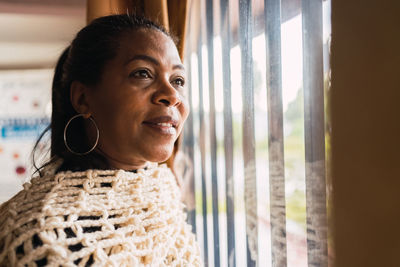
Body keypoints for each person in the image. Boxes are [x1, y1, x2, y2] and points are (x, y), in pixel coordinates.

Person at [0, 14, 202, 266]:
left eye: (178, 80)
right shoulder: (44, 236)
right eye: (143, 73)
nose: (172, 95)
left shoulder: (161, 192)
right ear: (83, 99)